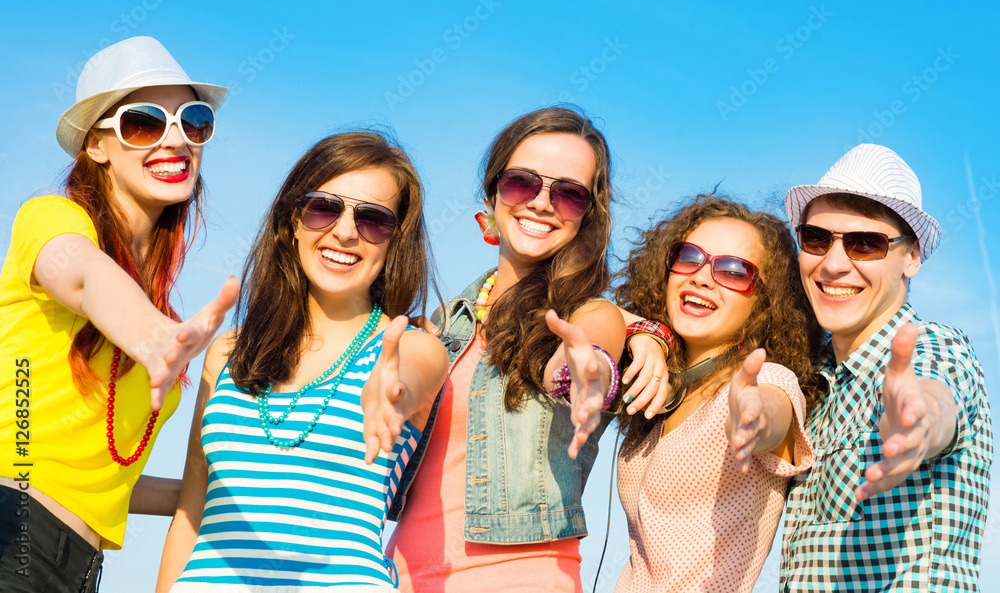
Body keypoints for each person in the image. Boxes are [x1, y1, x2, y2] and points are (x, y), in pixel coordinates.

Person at [157, 131, 448, 591]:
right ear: (293, 222)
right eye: (324, 208)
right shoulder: (227, 354)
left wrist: (394, 391)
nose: (346, 231)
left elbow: (409, 378)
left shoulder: (411, 347)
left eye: (374, 220)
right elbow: (192, 513)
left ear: (394, 243)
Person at [0, 36, 237, 593]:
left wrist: (225, 494)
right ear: (97, 146)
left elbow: (107, 480)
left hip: (77, 564)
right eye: (144, 123)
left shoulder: (158, 313)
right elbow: (79, 271)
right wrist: (153, 336)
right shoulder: (51, 218)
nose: (175, 137)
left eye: (193, 120)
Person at [384, 106, 626, 593]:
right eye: (522, 183)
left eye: (569, 194)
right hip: (396, 576)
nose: (541, 203)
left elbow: (589, 352)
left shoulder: (589, 313)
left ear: (587, 217)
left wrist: (586, 370)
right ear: (493, 194)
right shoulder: (445, 322)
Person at [779, 143, 993, 591]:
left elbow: (934, 395)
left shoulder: (933, 346)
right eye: (816, 238)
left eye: (865, 244)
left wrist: (914, 425)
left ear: (911, 257)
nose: (834, 264)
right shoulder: (816, 385)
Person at [611, 196, 822, 592]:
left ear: (766, 300)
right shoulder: (658, 387)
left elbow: (769, 410)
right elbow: (572, 307)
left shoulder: (765, 378)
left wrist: (753, 417)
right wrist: (648, 334)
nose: (702, 277)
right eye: (689, 257)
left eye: (734, 270)